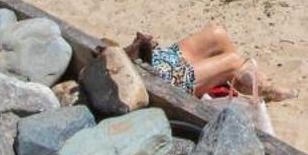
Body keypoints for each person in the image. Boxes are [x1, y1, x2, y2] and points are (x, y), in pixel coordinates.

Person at [126, 26, 294, 102]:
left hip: (158, 60)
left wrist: (139, 48)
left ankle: (240, 81)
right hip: (161, 81)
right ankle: (264, 88)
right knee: (233, 61)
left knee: (217, 34)